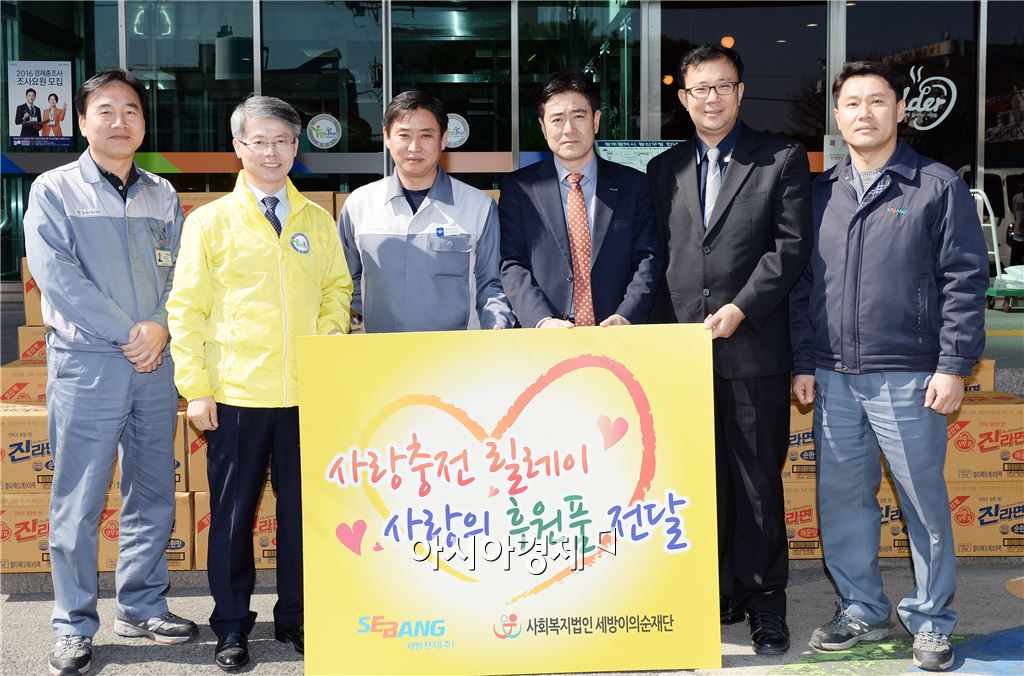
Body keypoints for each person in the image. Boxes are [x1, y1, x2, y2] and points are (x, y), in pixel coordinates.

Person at [790, 61, 988, 672]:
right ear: (837, 117)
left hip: (910, 374)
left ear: (901, 111)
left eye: (877, 101)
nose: (865, 113)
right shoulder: (819, 193)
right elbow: (802, 287)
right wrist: (803, 360)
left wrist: (953, 364)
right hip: (833, 375)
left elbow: (964, 280)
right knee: (843, 501)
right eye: (852, 103)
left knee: (922, 503)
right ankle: (861, 608)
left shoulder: (936, 186)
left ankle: (930, 619)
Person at [167, 95, 353, 672]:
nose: (272, 152)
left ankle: (297, 617)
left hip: (305, 396)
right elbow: (186, 309)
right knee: (232, 518)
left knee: (302, 516)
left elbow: (337, 289)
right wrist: (196, 386)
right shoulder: (209, 222)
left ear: (296, 148)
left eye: (282, 141)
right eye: (259, 141)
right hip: (235, 396)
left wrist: (328, 334)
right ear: (238, 147)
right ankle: (230, 625)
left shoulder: (316, 220)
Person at [24, 68, 198, 676]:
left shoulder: (161, 194)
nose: (119, 121)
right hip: (89, 362)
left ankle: (141, 605)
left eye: (131, 110)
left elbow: (184, 272)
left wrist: (160, 327)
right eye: (105, 110)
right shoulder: (53, 189)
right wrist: (131, 333)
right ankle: (72, 625)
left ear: (143, 123)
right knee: (78, 498)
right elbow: (57, 277)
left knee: (151, 490)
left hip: (155, 361)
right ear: (82, 121)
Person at [646, 43, 812, 655]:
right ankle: (719, 592)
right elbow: (660, 258)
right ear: (683, 97)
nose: (711, 98)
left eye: (723, 86)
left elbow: (790, 249)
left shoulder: (780, 158)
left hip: (753, 350)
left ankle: (767, 604)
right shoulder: (663, 168)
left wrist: (741, 307)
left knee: (756, 484)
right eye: (699, 88)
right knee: (700, 482)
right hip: (683, 356)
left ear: (740, 93)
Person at [338, 90, 514, 332]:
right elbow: (344, 283)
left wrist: (497, 325)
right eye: (404, 135)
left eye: (426, 135)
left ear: (443, 139)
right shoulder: (359, 204)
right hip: (379, 350)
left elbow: (491, 284)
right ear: (387, 137)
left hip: (457, 351)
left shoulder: (478, 207)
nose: (414, 147)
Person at [499, 71, 663, 328]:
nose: (569, 129)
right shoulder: (519, 188)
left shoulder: (634, 185)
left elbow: (648, 257)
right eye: (557, 119)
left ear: (595, 121)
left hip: (616, 331)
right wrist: (541, 320)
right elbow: (513, 262)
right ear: (543, 127)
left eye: (578, 116)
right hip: (547, 334)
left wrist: (627, 315)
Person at [1009, 180, 1024, 266]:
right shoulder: (1016, 197)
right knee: (1015, 264)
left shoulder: (1016, 197)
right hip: (1017, 236)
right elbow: (1015, 214)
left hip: (1018, 234)